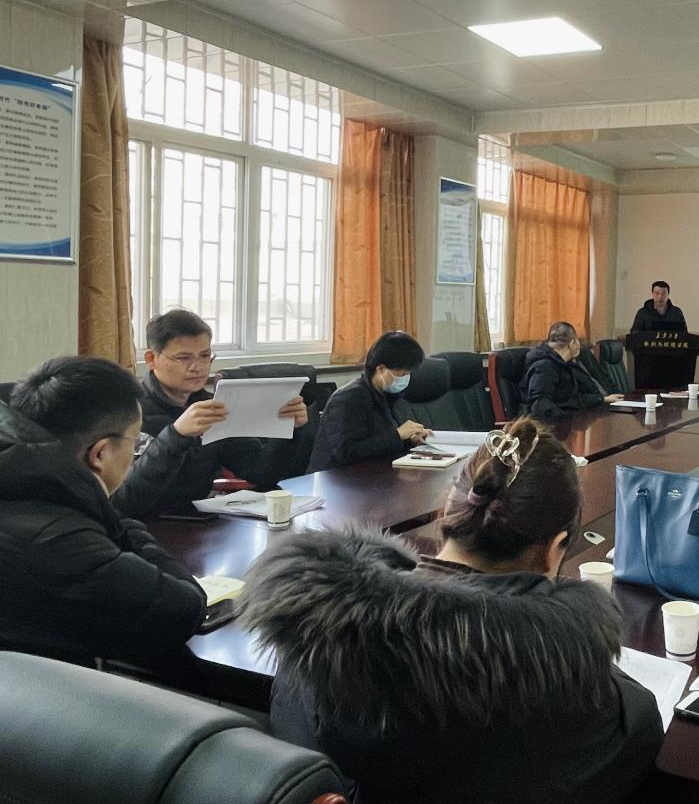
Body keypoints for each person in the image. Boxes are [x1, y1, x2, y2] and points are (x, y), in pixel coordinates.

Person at [241, 418, 664, 804]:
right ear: (556, 548)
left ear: (448, 510)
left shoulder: (318, 633)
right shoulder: (593, 704)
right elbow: (637, 729)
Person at [0, 357, 206, 664]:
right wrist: (108, 508)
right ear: (100, 453)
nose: (135, 455)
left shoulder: (21, 483)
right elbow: (184, 609)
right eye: (135, 443)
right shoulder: (60, 540)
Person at [112, 310, 310, 518]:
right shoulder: (126, 412)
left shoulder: (211, 405)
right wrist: (176, 435)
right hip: (141, 525)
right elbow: (124, 501)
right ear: (152, 359)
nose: (197, 367)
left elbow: (261, 473)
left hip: (196, 521)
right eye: (184, 358)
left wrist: (288, 430)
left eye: (205, 356)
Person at [308, 331, 432, 472]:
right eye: (402, 374)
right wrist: (398, 435)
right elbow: (346, 453)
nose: (406, 379)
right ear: (381, 369)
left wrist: (411, 439)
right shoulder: (349, 398)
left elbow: (384, 444)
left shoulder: (390, 395)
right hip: (338, 478)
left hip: (374, 473)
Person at [520, 321, 622, 421]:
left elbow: (570, 399)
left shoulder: (562, 363)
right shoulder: (545, 366)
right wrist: (564, 421)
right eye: (578, 341)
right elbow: (540, 403)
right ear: (572, 344)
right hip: (554, 425)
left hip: (572, 419)